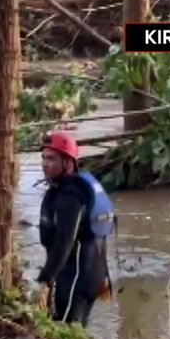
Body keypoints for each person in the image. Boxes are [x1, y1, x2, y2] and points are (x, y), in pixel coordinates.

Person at [36, 131, 116, 328]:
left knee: (67, 331)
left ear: (68, 163)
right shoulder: (62, 189)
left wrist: (44, 280)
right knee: (67, 329)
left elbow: (65, 242)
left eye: (52, 158)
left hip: (80, 275)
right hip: (84, 270)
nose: (45, 163)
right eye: (44, 158)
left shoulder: (70, 197)